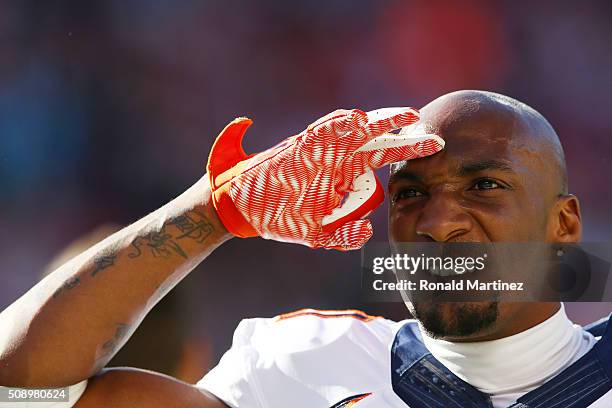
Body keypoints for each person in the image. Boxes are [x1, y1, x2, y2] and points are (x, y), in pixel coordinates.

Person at [0, 90, 609, 408]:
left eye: (484, 185)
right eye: (410, 192)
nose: (438, 222)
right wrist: (214, 211)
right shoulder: (301, 366)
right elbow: (21, 392)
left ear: (564, 224)